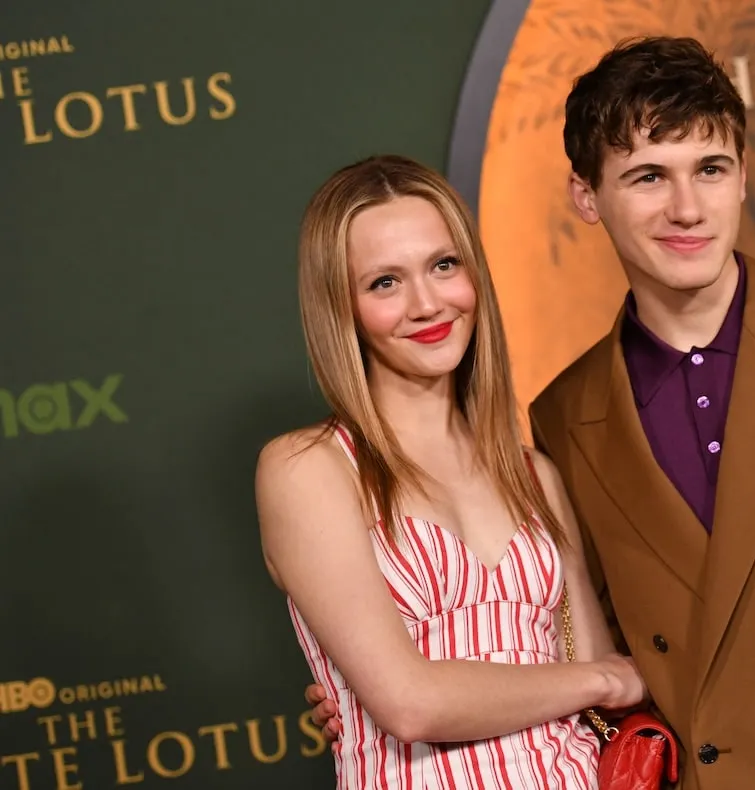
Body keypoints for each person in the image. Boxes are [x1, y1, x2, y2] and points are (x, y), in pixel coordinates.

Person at [308, 37, 755, 790]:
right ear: (586, 197)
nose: (687, 208)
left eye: (710, 170)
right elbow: (588, 639)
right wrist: (364, 683)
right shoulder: (566, 412)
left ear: (744, 176)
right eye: (649, 176)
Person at [256, 153, 648, 789]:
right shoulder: (309, 470)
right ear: (342, 307)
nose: (427, 303)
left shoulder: (533, 476)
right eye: (384, 282)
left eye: (443, 265)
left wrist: (602, 677)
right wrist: (605, 677)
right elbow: (411, 705)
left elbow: (596, 680)